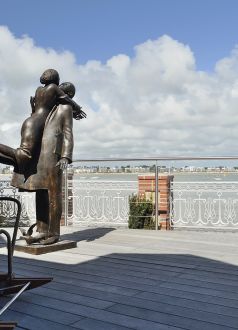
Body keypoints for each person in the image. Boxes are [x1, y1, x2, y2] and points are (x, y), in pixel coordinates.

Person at [12, 81, 78, 245]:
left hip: (55, 156)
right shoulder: (50, 107)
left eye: (63, 88)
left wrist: (66, 156)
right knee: (41, 192)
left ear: (67, 93)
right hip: (42, 156)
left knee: (54, 194)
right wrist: (34, 110)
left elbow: (68, 133)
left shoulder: (65, 108)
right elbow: (40, 127)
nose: (58, 89)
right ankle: (41, 230)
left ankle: (54, 232)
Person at [0, 69, 85, 177]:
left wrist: (65, 156)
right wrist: (77, 108)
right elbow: (65, 101)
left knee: (26, 161)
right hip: (34, 124)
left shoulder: (40, 90)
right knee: (24, 155)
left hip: (32, 122)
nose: (61, 87)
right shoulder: (53, 89)